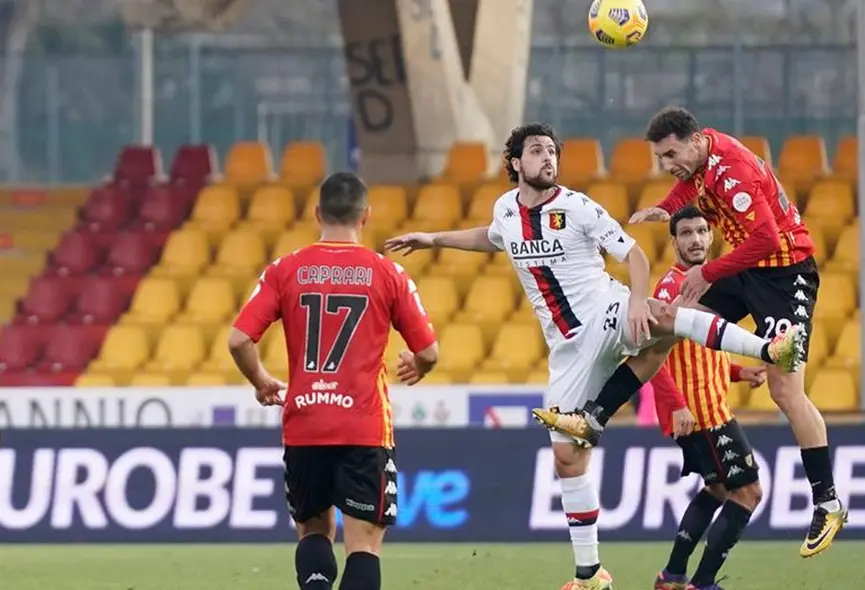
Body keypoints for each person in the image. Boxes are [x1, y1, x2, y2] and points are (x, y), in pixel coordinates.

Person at [385, 123, 804, 590]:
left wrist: (639, 301)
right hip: (568, 350)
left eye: (552, 151)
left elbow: (636, 257)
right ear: (516, 163)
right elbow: (493, 235)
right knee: (567, 457)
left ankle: (769, 347)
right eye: (538, 150)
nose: (548, 157)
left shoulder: (578, 206)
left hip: (606, 309)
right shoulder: (506, 209)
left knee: (664, 319)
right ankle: (590, 574)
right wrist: (434, 239)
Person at [539, 106, 846, 558]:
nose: (667, 165)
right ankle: (592, 418)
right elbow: (692, 185)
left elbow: (766, 238)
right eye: (660, 158)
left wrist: (708, 272)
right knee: (664, 327)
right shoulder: (706, 154)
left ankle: (828, 503)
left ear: (696, 140)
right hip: (748, 269)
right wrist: (665, 207)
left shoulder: (734, 172)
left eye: (670, 155)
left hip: (785, 275)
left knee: (785, 390)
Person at [228, 171, 440, 590]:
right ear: (366, 216)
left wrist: (261, 380)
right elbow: (429, 351)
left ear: (316, 213)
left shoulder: (285, 269)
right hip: (364, 426)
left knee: (313, 531)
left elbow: (238, 340)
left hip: (305, 423)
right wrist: (420, 365)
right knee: (364, 544)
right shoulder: (388, 273)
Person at [648, 205, 766, 590]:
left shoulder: (707, 285)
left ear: (711, 236)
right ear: (674, 242)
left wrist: (738, 372)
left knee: (717, 488)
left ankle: (672, 575)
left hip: (710, 406)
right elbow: (650, 356)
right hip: (700, 413)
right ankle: (703, 583)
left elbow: (701, 351)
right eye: (686, 233)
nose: (696, 239)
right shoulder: (672, 288)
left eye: (701, 231)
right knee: (748, 492)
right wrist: (676, 405)